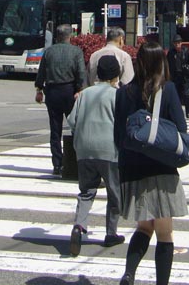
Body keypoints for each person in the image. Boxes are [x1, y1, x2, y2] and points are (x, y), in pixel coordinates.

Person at [114, 41, 188, 285]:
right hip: (162, 167)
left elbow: (118, 136)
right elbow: (181, 129)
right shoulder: (167, 90)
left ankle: (129, 273)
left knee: (144, 227)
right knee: (164, 233)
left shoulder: (123, 92)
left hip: (133, 169)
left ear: (139, 62)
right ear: (162, 62)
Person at [67, 54, 124, 256]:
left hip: (83, 149)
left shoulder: (84, 94)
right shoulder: (118, 95)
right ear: (117, 74)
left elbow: (72, 121)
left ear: (98, 73)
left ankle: (78, 226)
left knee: (86, 191)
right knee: (115, 193)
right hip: (110, 150)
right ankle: (111, 233)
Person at [34, 24, 86, 177]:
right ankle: (77, 160)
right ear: (70, 36)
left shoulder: (49, 51)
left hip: (52, 92)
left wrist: (39, 90)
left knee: (55, 129)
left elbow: (41, 72)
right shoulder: (76, 52)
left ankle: (57, 164)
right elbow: (81, 73)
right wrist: (79, 89)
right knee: (76, 127)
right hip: (70, 91)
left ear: (57, 36)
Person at [165, 35, 189, 117]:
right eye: (175, 43)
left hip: (184, 76)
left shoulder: (186, 51)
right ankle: (177, 112)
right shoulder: (171, 53)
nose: (177, 45)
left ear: (181, 43)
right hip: (175, 76)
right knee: (176, 96)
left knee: (186, 94)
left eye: (178, 43)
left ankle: (188, 111)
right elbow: (167, 64)